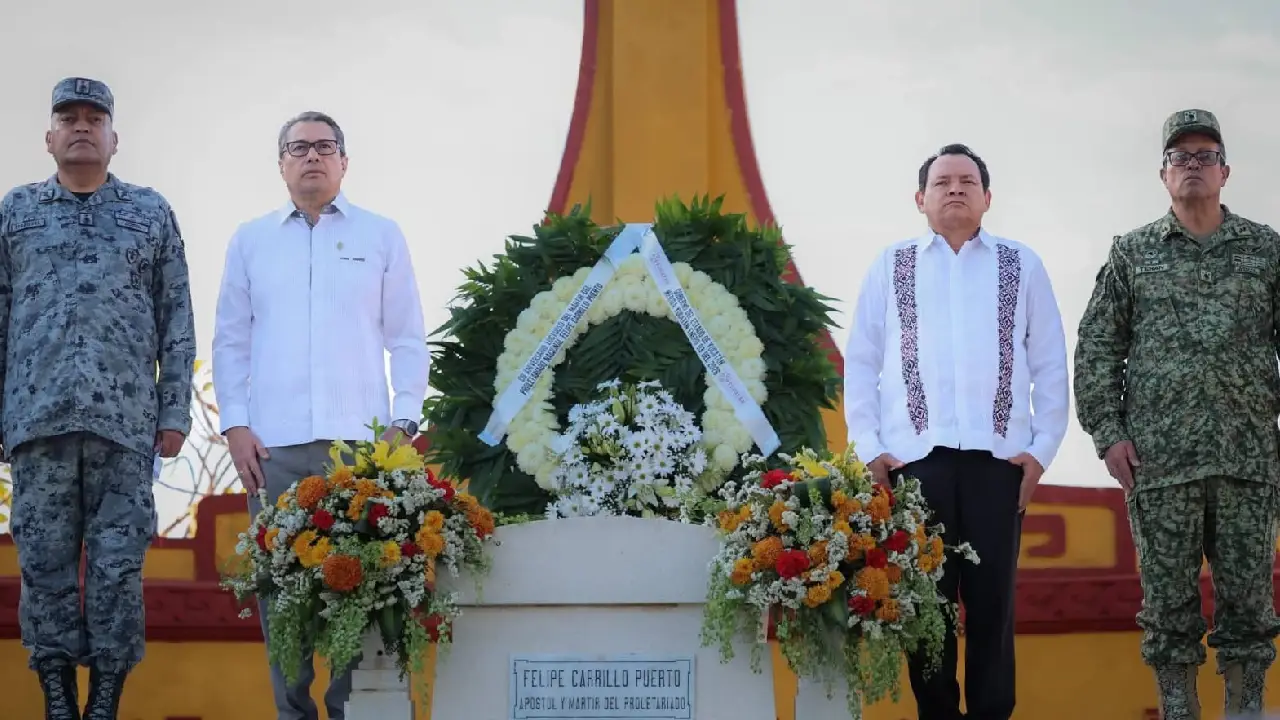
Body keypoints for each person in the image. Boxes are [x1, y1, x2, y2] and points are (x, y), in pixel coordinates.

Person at [211, 110, 430, 720]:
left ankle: (350, 712)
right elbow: (230, 340)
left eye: (325, 146)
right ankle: (292, 713)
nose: (312, 156)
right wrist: (235, 425)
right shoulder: (250, 240)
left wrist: (404, 421)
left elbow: (408, 337)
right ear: (281, 164)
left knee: (360, 592)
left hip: (360, 450)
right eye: (298, 147)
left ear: (344, 162)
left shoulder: (380, 235)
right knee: (282, 598)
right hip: (273, 449)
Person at [844, 143, 1069, 720]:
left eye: (967, 181)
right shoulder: (891, 265)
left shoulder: (1021, 264)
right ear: (920, 198)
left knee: (994, 606)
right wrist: (870, 449)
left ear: (987, 197)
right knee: (927, 608)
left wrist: (1041, 452)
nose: (955, 189)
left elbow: (1049, 363)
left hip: (999, 464)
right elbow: (861, 362)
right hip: (915, 465)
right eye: (942, 182)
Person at [0, 77, 196, 720]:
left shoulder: (149, 212)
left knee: (116, 569)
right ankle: (57, 698)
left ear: (114, 138)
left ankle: (106, 699)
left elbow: (175, 315)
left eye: (94, 118)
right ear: (49, 137)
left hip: (124, 424)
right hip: (37, 421)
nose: (81, 126)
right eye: (68, 118)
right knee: (44, 567)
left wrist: (174, 410)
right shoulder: (16, 212)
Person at [1075, 109, 1280, 719]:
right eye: (1180, 157)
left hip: (1248, 462)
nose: (1193, 165)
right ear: (1163, 174)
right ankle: (1179, 710)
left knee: (1250, 608)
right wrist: (1109, 433)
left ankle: (1245, 710)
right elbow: (1098, 348)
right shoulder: (1132, 254)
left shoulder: (1265, 250)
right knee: (1167, 610)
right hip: (1159, 466)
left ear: (1225, 172)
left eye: (1205, 156)